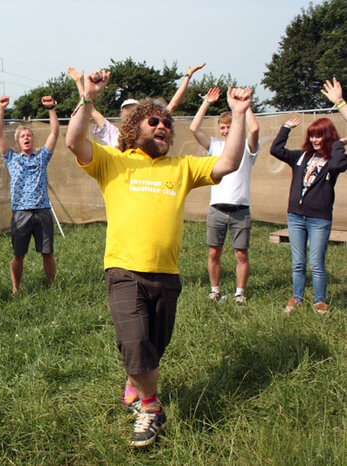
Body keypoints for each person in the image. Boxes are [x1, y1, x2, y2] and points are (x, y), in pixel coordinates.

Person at [65, 69, 252, 447]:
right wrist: (88, 98)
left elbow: (228, 163)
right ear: (135, 128)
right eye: (155, 121)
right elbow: (73, 141)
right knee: (134, 343)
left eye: (168, 122)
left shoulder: (181, 167)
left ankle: (135, 387)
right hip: (123, 269)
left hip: (167, 274)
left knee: (153, 346)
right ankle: (152, 409)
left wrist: (241, 113)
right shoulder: (112, 162)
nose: (163, 126)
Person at [269, 110, 346, 315]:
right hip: (295, 217)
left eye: (319, 135)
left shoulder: (333, 160)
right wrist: (285, 128)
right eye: (312, 135)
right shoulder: (301, 156)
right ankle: (297, 298)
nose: (314, 140)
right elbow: (276, 149)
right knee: (298, 262)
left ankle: (320, 302)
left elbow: (340, 164)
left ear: (328, 136)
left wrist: (338, 144)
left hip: (319, 220)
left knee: (316, 264)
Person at [190, 87, 260, 305]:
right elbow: (194, 128)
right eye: (222, 127)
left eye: (229, 127)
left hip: (240, 210)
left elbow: (255, 129)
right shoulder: (215, 146)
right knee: (213, 253)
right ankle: (215, 290)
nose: (226, 131)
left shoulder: (247, 148)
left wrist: (244, 106)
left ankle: (239, 294)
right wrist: (207, 103)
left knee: (241, 255)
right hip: (217, 209)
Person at [0, 94, 59, 294]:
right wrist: (1, 109)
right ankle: (16, 289)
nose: (27, 138)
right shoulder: (11, 157)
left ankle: (53, 286)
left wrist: (51, 108)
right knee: (18, 254)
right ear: (18, 142)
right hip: (21, 212)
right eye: (22, 136)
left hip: (43, 211)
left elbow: (55, 133)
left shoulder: (42, 156)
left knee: (47, 252)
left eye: (29, 135)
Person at [67, 63, 206, 148]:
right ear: (121, 114)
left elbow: (173, 104)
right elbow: (89, 106)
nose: (129, 112)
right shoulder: (114, 134)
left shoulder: (152, 129)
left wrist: (187, 76)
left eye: (133, 109)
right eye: (126, 110)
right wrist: (80, 82)